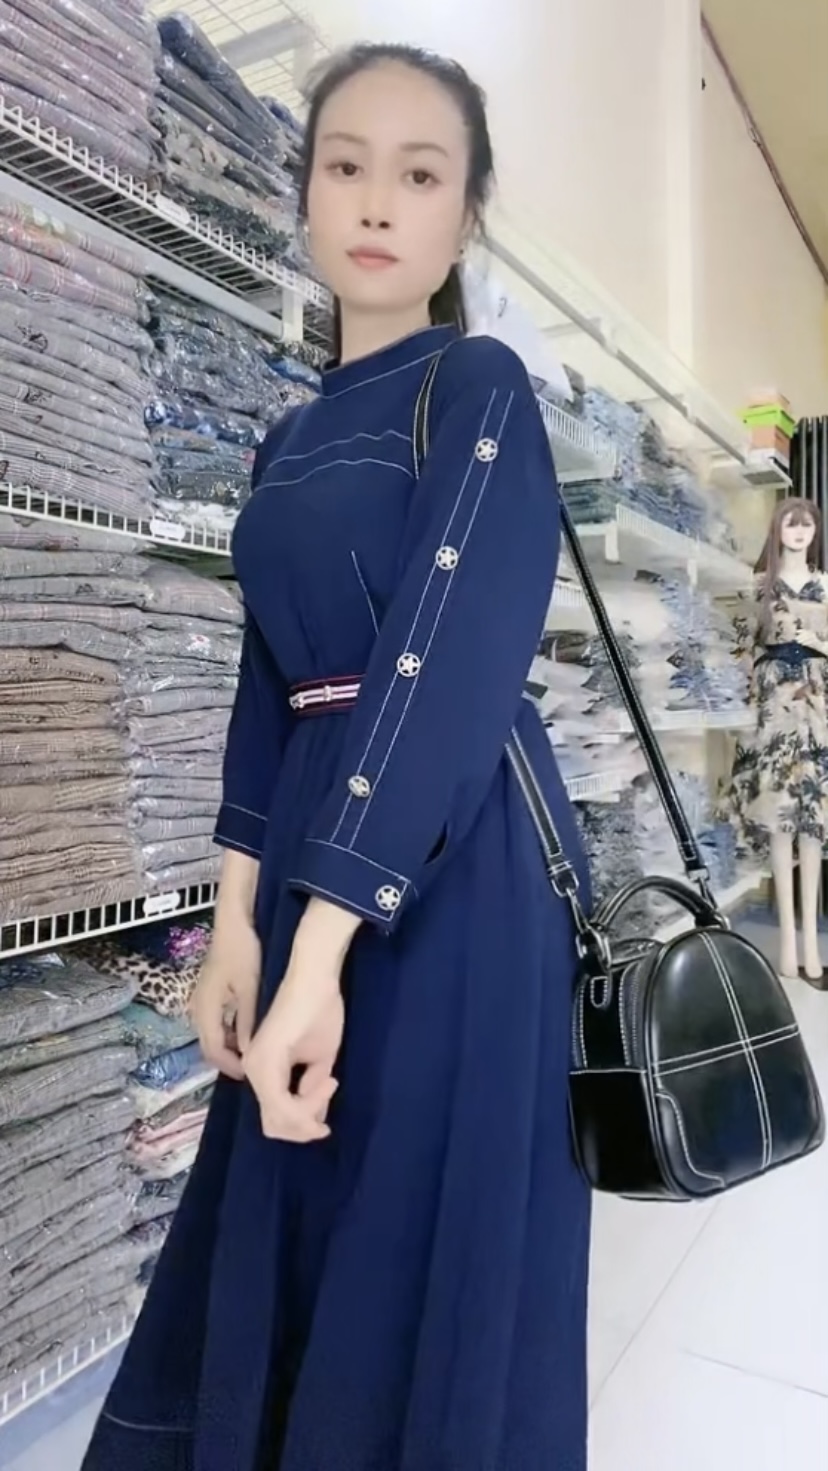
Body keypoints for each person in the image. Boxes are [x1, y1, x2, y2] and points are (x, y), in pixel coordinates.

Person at [82, 42, 592, 1471]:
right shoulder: (287, 438)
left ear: (466, 215)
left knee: (406, 1215)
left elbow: (446, 661)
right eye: (346, 165)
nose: (376, 202)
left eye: (420, 176)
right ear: (304, 191)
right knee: (293, 1200)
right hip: (311, 832)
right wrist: (236, 923)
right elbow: (267, 689)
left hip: (453, 859)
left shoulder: (480, 384)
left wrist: (321, 949)